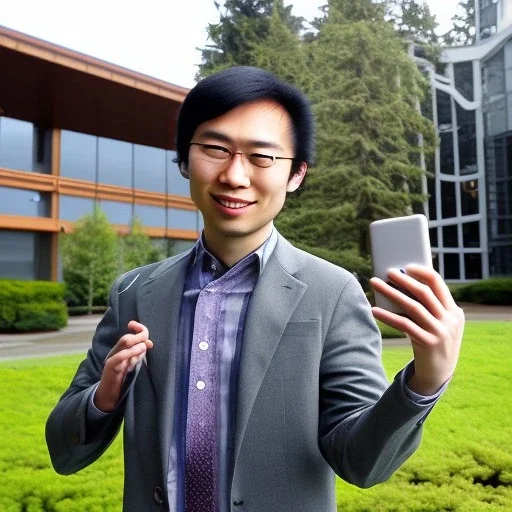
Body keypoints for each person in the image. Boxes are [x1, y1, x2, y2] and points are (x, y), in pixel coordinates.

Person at [46, 66, 465, 512]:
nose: (234, 175)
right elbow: (63, 450)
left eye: (262, 157)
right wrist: (103, 399)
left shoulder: (332, 293)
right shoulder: (133, 291)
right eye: (214, 149)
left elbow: (362, 462)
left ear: (296, 174)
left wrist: (425, 381)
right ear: (185, 159)